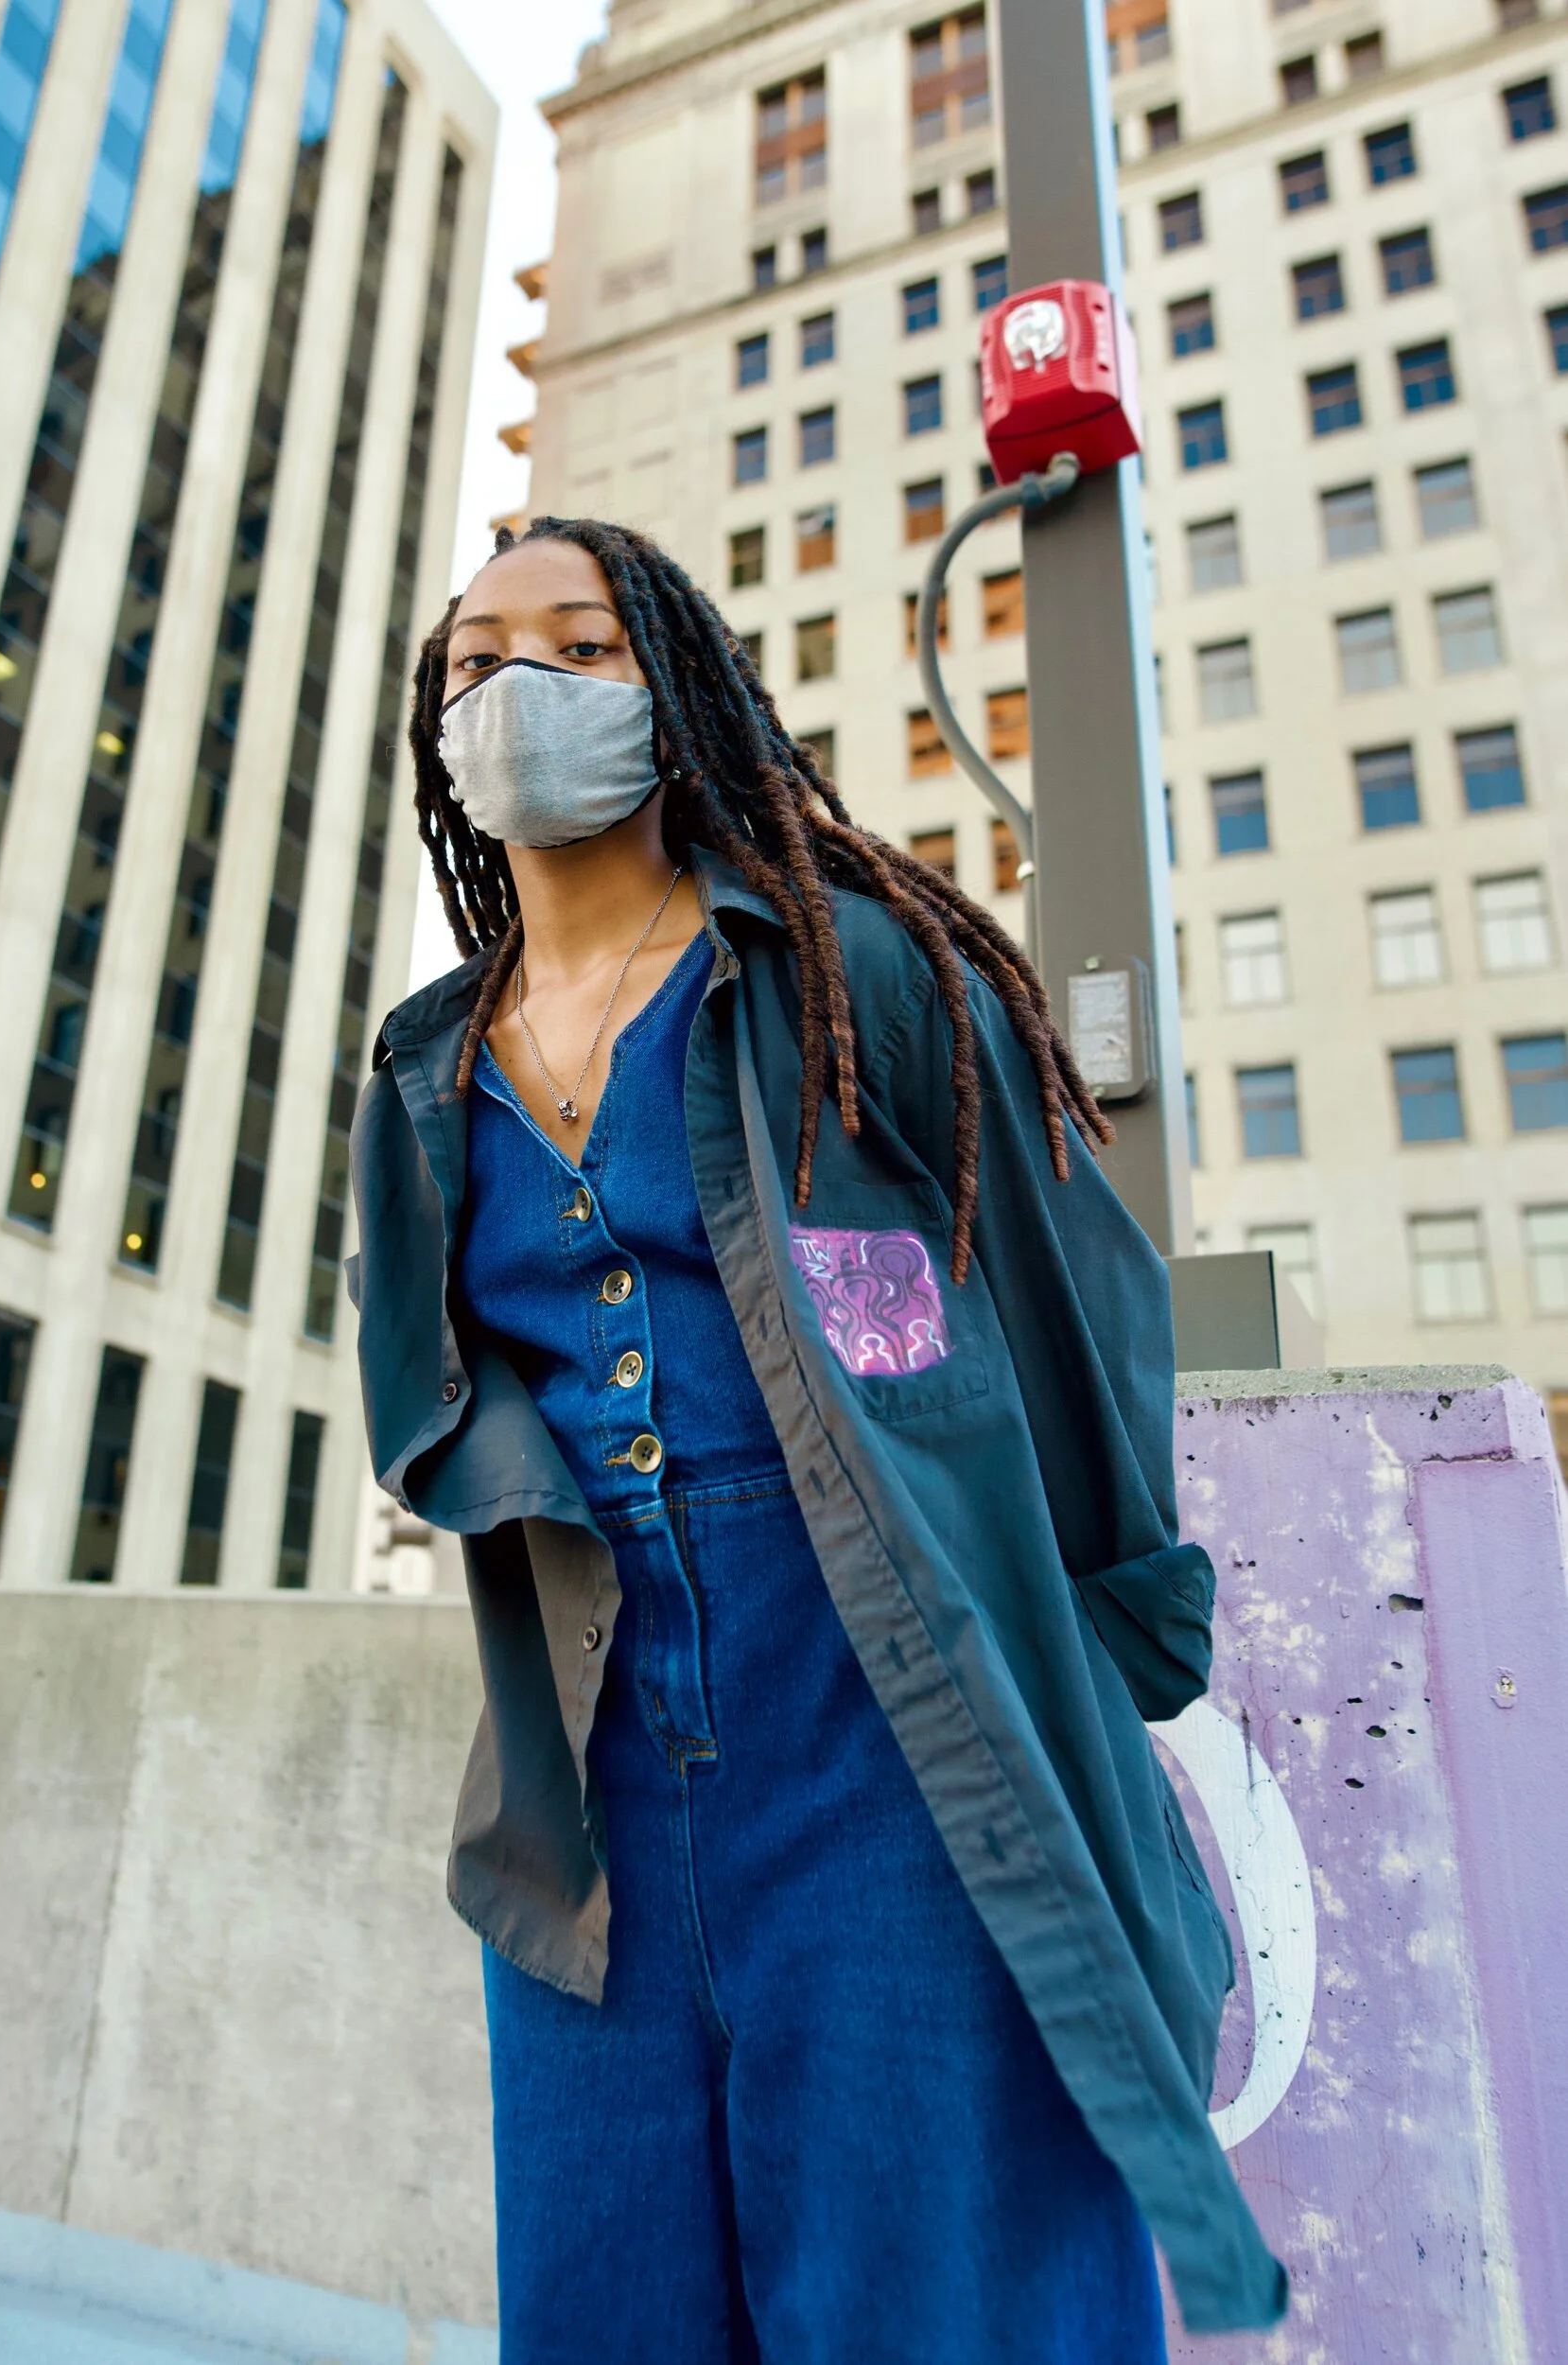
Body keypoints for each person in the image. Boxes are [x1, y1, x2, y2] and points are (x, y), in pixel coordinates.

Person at [347, 515, 1286, 2360]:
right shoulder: (422, 1067)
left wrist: (1105, 1648)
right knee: (605, 2302)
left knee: (936, 2297)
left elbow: (1073, 1307)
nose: (518, 684)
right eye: (474, 659)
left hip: (896, 1743)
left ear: (678, 692)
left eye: (581, 644)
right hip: (583, 1792)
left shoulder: (860, 974)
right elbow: (420, 1390)